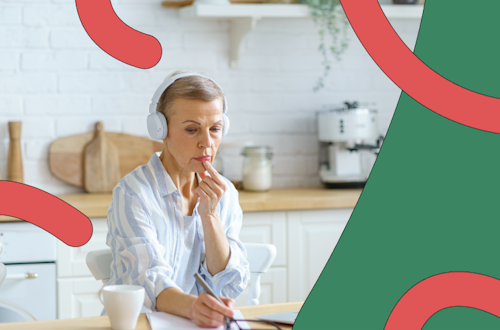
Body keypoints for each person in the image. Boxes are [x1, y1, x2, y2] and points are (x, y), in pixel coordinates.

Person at [105, 71, 250, 328]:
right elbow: (147, 281)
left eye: (215, 129)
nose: (207, 144)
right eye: (192, 130)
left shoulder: (224, 193)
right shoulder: (133, 193)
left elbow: (226, 284)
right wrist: (194, 308)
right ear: (161, 129)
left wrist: (210, 215)